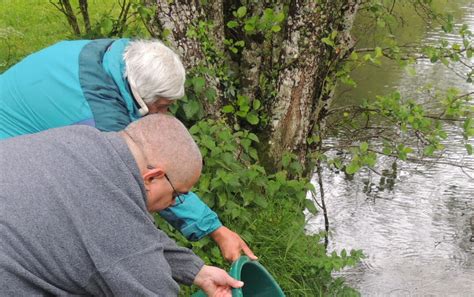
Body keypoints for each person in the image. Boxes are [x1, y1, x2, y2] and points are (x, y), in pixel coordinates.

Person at [0, 38, 256, 262]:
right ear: (140, 97)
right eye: (162, 106)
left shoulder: (122, 55)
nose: (165, 115)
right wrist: (214, 230)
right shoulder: (100, 120)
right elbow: (148, 178)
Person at [0, 113, 244, 296]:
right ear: (152, 177)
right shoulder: (116, 226)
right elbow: (133, 249)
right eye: (177, 195)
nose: (173, 203)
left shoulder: (81, 137)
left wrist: (198, 272)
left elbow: (138, 238)